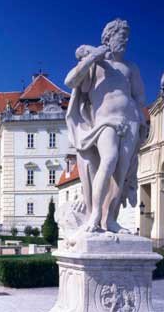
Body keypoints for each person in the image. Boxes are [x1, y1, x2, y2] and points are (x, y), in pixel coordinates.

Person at [65, 19, 146, 233]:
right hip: (105, 121)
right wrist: (92, 57)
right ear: (109, 37)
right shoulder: (95, 65)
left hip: (130, 123)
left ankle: (110, 219)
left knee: (121, 173)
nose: (126, 40)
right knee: (108, 160)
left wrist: (142, 122)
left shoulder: (131, 68)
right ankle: (95, 215)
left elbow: (139, 98)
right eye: (122, 36)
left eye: (127, 36)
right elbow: (70, 81)